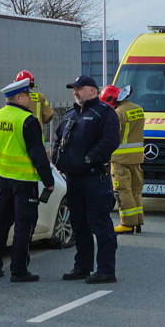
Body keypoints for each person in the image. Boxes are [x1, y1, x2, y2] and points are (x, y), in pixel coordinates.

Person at [0, 75, 55, 282]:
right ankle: (18, 270)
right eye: (27, 95)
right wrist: (49, 181)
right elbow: (37, 154)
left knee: (1, 223)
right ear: (17, 98)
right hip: (24, 180)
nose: (30, 99)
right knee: (24, 225)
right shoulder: (27, 120)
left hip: (2, 179)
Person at [53, 76, 121, 284]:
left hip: (94, 177)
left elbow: (110, 140)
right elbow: (58, 139)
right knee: (79, 224)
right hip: (73, 178)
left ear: (92, 90)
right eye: (74, 89)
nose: (75, 92)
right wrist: (57, 158)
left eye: (80, 88)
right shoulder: (71, 114)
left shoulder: (104, 112)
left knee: (100, 224)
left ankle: (106, 270)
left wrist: (89, 158)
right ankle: (82, 266)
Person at [100, 84, 145, 234]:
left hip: (120, 159)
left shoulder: (118, 113)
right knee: (136, 190)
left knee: (122, 190)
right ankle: (137, 222)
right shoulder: (138, 109)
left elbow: (112, 136)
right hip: (137, 158)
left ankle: (127, 223)